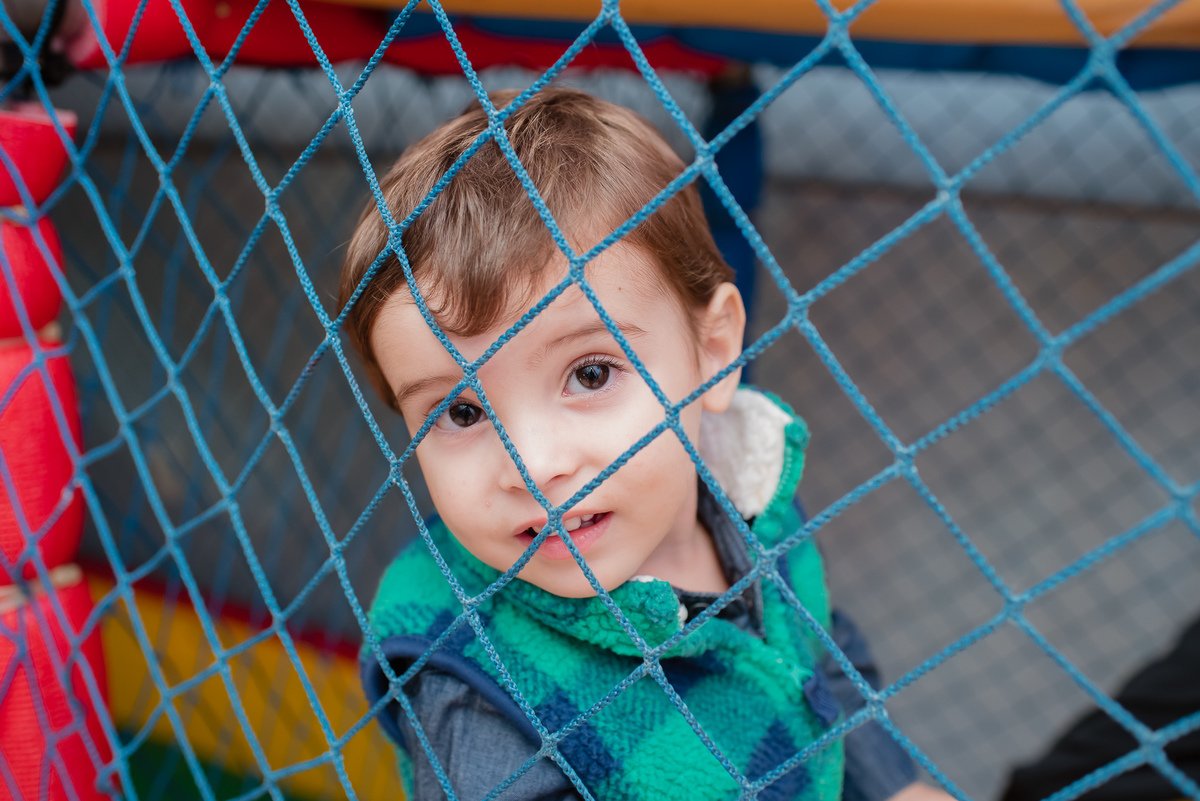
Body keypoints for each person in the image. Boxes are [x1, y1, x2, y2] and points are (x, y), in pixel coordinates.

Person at [342, 87, 950, 801]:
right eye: (463, 412)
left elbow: (821, 657)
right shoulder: (471, 678)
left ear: (715, 350)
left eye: (590, 373)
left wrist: (895, 786)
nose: (535, 467)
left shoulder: (751, 501)